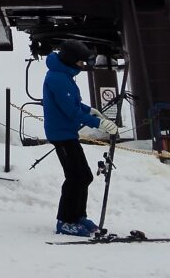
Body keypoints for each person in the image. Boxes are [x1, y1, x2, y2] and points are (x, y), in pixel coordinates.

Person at [43, 39, 117, 237]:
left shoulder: (64, 75)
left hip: (68, 133)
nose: (83, 65)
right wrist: (99, 123)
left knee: (84, 176)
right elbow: (70, 111)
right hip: (61, 134)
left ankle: (77, 216)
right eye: (81, 62)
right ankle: (65, 220)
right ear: (71, 60)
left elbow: (74, 104)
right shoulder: (57, 78)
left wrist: (90, 111)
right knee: (76, 177)